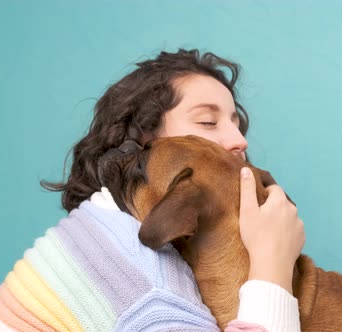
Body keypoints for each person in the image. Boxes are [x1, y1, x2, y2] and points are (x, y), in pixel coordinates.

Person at [43, 49, 306, 331]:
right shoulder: (135, 276)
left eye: (237, 124)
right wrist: (271, 265)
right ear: (140, 138)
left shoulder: (188, 255)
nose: (240, 140)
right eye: (207, 121)